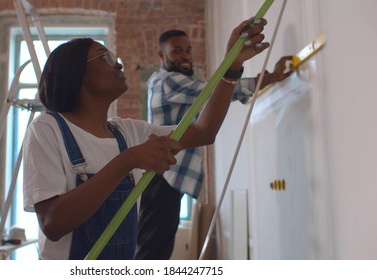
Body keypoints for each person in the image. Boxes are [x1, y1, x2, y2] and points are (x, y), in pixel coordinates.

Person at [22, 17, 270, 260]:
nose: (118, 65)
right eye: (105, 58)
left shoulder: (127, 132)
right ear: (79, 73)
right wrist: (127, 160)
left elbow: (205, 131)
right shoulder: (47, 129)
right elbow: (53, 223)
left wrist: (232, 66)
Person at [136, 29, 293, 259]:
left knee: (158, 249)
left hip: (167, 176)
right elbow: (211, 91)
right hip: (162, 176)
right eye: (177, 51)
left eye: (188, 50)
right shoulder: (166, 82)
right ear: (161, 56)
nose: (185, 56)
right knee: (152, 252)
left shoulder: (173, 83)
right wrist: (269, 77)